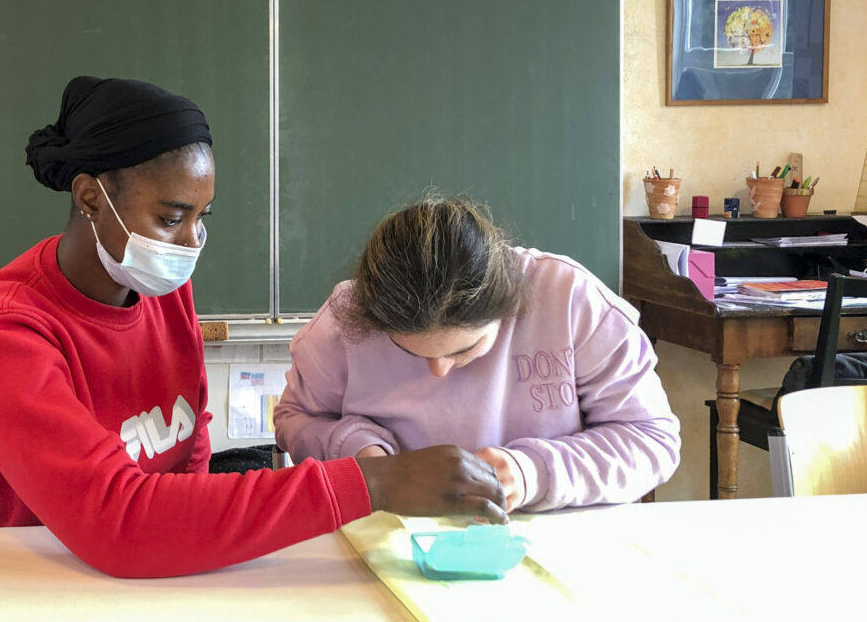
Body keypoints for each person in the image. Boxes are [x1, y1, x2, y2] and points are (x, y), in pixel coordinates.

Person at [0, 76, 507, 578]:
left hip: (128, 580)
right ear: (91, 198)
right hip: (1, 583)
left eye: (203, 217)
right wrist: (373, 483)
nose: (192, 241)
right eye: (171, 218)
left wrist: (194, 548)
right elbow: (115, 520)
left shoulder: (161, 288)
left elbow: (189, 448)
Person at [273, 195, 681, 512]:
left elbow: (652, 440)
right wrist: (364, 456)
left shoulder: (569, 300)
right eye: (409, 350)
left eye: (465, 349)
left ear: (510, 305)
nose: (439, 371)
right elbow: (294, 420)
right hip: (392, 542)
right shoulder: (344, 318)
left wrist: (533, 472)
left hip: (558, 540)